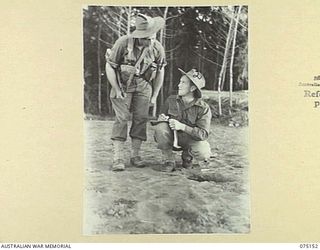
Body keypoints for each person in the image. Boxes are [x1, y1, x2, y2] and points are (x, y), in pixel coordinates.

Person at [105, 13, 166, 171]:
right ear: (140, 36)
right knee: (122, 118)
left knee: (140, 119)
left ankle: (135, 155)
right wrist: (117, 89)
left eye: (153, 36)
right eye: (148, 37)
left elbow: (160, 71)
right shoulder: (123, 43)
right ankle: (118, 157)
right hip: (123, 86)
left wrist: (155, 95)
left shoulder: (157, 47)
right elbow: (110, 66)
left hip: (144, 86)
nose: (151, 40)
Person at [154, 68, 212, 172]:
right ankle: (168, 160)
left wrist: (182, 127)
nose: (178, 85)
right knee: (160, 127)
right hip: (173, 138)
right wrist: (161, 119)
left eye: (183, 83)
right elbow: (161, 117)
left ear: (192, 88)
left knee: (204, 151)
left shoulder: (204, 108)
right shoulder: (171, 100)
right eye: (180, 82)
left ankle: (187, 157)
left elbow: (203, 134)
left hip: (190, 140)